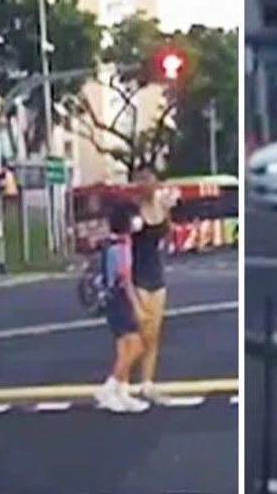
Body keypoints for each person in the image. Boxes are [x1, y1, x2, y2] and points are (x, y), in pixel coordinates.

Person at [94, 203, 151, 413]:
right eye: (134, 216)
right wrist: (138, 307)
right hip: (119, 300)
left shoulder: (112, 243)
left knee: (123, 349)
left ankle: (122, 394)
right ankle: (109, 389)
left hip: (111, 300)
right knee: (136, 346)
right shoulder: (121, 247)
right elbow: (125, 280)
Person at [130, 168, 176, 404]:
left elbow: (167, 234)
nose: (152, 188)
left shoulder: (160, 207)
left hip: (156, 274)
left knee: (154, 335)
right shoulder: (132, 211)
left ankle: (147, 383)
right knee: (140, 334)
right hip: (138, 275)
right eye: (147, 184)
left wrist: (167, 211)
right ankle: (120, 380)